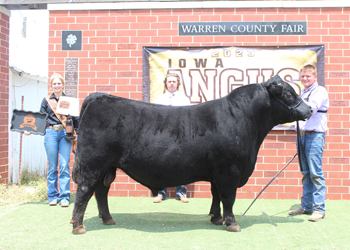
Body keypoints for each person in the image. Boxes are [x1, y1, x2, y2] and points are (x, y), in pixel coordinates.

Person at [24, 73, 79, 207]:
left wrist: (79, 134)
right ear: (51, 86)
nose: (57, 85)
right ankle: (52, 196)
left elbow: (75, 119)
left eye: (59, 83)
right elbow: (41, 118)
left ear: (63, 85)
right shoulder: (46, 101)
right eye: (54, 83)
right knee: (53, 166)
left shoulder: (69, 100)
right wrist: (30, 130)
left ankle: (65, 196)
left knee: (65, 165)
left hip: (65, 134)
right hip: (51, 133)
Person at [288, 64, 329, 222]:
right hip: (303, 136)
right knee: (305, 173)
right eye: (303, 76)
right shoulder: (304, 92)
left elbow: (311, 108)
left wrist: (292, 110)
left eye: (308, 76)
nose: (305, 79)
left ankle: (319, 209)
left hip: (315, 136)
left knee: (315, 173)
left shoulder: (320, 91)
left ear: (314, 77)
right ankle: (306, 206)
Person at [153, 73, 190, 203]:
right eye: (169, 81)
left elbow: (188, 118)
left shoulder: (184, 100)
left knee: (180, 163)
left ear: (178, 83)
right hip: (163, 136)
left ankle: (181, 193)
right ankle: (160, 193)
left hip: (179, 136)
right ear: (166, 83)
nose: (172, 83)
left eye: (174, 81)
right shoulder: (159, 99)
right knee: (161, 163)